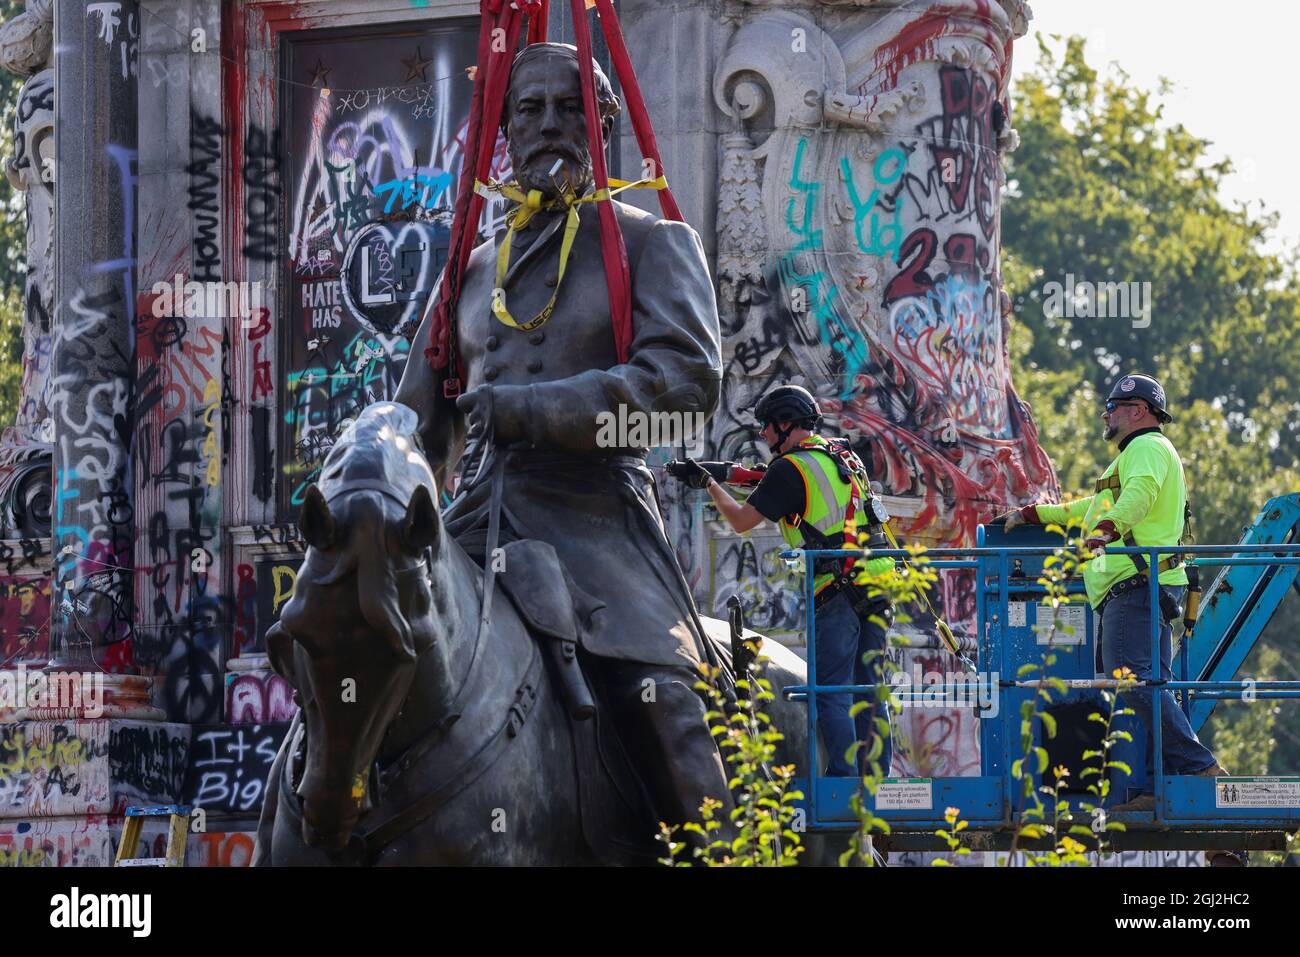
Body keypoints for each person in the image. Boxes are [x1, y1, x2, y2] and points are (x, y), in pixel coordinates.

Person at [395, 42, 733, 840]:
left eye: (571, 106)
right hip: (477, 527)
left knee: (661, 702)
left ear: (603, 123)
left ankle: (725, 852)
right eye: (530, 109)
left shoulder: (652, 243)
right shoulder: (468, 274)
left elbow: (683, 390)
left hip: (598, 528)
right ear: (505, 129)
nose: (550, 124)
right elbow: (417, 421)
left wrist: (531, 410)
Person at [998, 375, 1236, 828]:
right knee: (1147, 688)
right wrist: (1034, 513)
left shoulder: (1146, 449)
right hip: (1139, 588)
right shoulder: (1133, 457)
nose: (1105, 413)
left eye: (1113, 405)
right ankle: (1154, 786)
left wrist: (1105, 533)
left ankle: (1198, 765)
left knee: (1135, 684)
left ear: (1138, 411)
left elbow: (1136, 499)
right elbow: (1090, 507)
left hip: (1135, 585)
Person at [668, 385, 895, 778]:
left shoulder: (790, 469)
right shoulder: (838, 453)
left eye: (766, 426)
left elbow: (742, 521)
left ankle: (844, 783)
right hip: (878, 580)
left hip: (836, 590)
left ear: (785, 424)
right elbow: (767, 481)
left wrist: (708, 484)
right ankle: (878, 781)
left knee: (832, 693)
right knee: (869, 690)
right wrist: (719, 470)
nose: (761, 434)